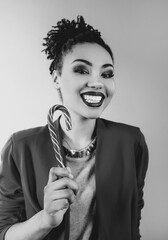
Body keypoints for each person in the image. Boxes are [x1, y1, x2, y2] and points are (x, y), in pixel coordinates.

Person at [0, 16, 148, 240]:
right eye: (82, 70)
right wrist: (45, 219)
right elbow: (4, 232)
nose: (97, 82)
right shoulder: (19, 147)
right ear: (56, 77)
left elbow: (133, 217)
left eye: (106, 74)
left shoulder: (131, 141)